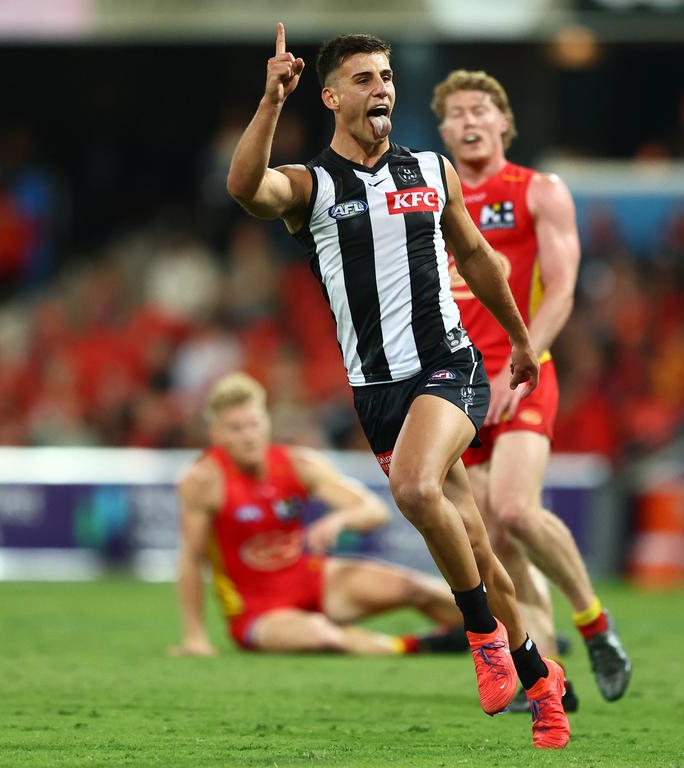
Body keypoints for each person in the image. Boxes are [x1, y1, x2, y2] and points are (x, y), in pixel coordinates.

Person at [226, 24, 569, 749]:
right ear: (330, 96)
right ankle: (542, 682)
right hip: (378, 394)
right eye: (364, 79)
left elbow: (478, 259)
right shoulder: (311, 188)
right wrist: (269, 102)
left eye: (386, 76)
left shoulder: (432, 171)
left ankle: (482, 642)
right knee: (478, 556)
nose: (381, 88)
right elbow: (243, 187)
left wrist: (521, 342)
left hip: (450, 365)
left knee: (414, 489)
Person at [431, 70, 632, 707]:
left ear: (503, 122)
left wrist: (522, 357)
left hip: (519, 377)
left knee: (515, 509)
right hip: (454, 387)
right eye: (455, 112)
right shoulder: (430, 201)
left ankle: (595, 624)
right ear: (442, 131)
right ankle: (543, 671)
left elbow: (565, 288)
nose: (467, 120)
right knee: (488, 538)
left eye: (479, 110)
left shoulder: (537, 192)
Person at [171, 372, 471, 656]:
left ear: (266, 421)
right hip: (257, 610)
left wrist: (339, 520)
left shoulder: (297, 463)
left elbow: (374, 511)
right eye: (236, 429)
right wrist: (195, 636)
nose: (249, 436)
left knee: (414, 587)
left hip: (310, 578)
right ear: (216, 434)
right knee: (321, 635)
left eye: (253, 424)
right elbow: (191, 558)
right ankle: (418, 645)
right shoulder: (203, 481)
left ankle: (492, 629)